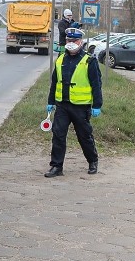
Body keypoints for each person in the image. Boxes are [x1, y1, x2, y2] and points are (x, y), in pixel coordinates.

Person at [44, 27, 103, 177]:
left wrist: (97, 105)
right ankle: (56, 167)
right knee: (58, 135)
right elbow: (55, 82)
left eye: (74, 40)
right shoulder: (60, 59)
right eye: (69, 40)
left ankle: (92, 161)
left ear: (80, 42)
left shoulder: (89, 60)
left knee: (84, 136)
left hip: (81, 107)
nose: (71, 43)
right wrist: (51, 101)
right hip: (62, 105)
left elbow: (96, 84)